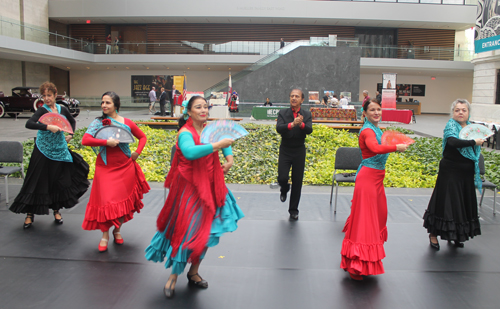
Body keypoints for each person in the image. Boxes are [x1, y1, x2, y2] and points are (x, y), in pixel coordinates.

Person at [145, 96, 244, 299]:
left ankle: (193, 271)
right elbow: (190, 153)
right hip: (190, 190)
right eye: (198, 107)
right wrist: (217, 146)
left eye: (205, 107)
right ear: (188, 112)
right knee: (187, 233)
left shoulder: (210, 129)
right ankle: (174, 275)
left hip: (212, 185)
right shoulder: (185, 132)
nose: (203, 110)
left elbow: (223, 141)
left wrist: (230, 159)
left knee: (207, 231)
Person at [340, 98, 408, 281]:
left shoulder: (378, 129)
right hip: (368, 179)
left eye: (379, 109)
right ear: (365, 113)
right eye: (372, 110)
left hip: (377, 179)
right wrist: (396, 147)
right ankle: (356, 265)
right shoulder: (368, 130)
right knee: (365, 222)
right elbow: (375, 148)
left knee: (378, 217)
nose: (377, 112)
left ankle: (359, 260)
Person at [9, 82, 90, 229]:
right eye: (44, 95)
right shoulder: (42, 110)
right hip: (42, 149)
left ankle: (56, 210)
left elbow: (71, 121)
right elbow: (29, 123)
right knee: (36, 181)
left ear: (55, 95)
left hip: (59, 149)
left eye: (49, 95)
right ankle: (29, 214)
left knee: (56, 181)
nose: (46, 98)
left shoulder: (62, 109)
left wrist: (71, 134)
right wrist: (47, 126)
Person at [81, 91, 150, 252]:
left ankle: (117, 230)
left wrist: (137, 153)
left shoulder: (127, 122)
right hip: (104, 168)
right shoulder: (98, 122)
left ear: (116, 105)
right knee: (106, 202)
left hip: (125, 167)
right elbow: (85, 140)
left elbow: (143, 137)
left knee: (121, 202)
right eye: (102, 102)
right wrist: (106, 141)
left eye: (108, 102)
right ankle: (104, 235)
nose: (104, 105)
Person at [423, 99, 483, 250]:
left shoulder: (471, 128)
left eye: (464, 110)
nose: (461, 112)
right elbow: (453, 142)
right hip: (450, 171)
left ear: (468, 113)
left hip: (466, 173)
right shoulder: (451, 125)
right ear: (453, 112)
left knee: (460, 204)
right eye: (457, 110)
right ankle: (433, 234)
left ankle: (456, 234)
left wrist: (475, 141)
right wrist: (473, 142)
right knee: (445, 202)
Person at [276, 89, 313, 220]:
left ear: (302, 100)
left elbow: (309, 130)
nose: (294, 98)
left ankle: (293, 210)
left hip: (299, 150)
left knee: (297, 181)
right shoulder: (283, 113)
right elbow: (279, 128)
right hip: (285, 149)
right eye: (292, 96)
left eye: (297, 96)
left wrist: (301, 124)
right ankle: (284, 188)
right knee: (282, 177)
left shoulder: (306, 114)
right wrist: (292, 124)